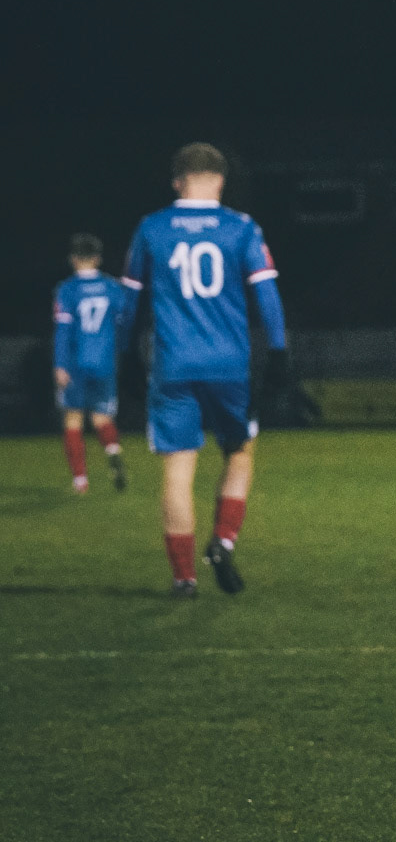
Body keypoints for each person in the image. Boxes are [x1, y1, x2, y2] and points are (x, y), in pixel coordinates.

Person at [119, 142, 288, 597]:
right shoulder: (241, 227)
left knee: (178, 468)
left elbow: (130, 301)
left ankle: (183, 579)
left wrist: (127, 355)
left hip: (172, 366)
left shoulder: (152, 228)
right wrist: (279, 352)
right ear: (221, 181)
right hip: (228, 366)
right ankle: (224, 541)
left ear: (177, 181)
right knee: (240, 452)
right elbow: (267, 295)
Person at [53, 234, 130, 493]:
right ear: (97, 258)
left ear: (73, 259)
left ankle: (80, 480)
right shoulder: (113, 288)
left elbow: (63, 330)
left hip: (76, 362)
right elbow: (123, 323)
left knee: (73, 418)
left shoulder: (67, 289)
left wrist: (60, 364)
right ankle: (112, 449)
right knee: (101, 416)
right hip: (104, 361)